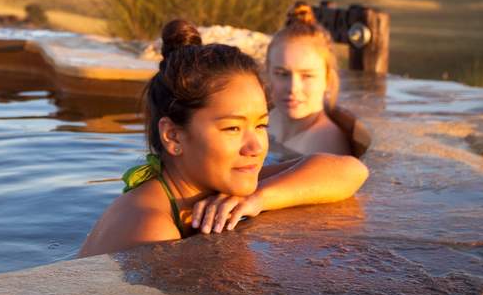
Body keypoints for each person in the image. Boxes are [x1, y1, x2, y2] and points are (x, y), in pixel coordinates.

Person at [78, 19, 367, 258]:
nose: (255, 147)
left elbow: (351, 171)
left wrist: (258, 198)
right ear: (172, 135)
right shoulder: (151, 228)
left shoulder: (209, 183)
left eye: (261, 125)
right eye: (232, 129)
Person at [265, 3, 353, 156]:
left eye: (307, 76)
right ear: (268, 73)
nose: (293, 88)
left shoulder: (325, 143)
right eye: (282, 74)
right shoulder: (268, 120)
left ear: (327, 79)